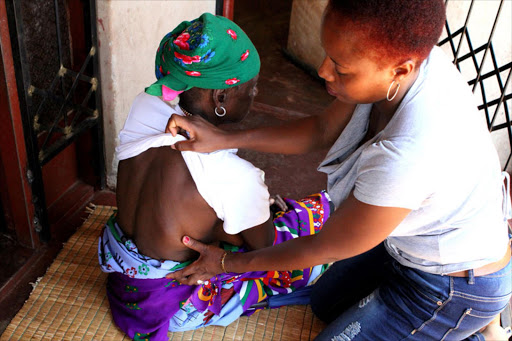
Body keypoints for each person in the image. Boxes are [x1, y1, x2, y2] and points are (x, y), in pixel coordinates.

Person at [165, 1, 512, 340]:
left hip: (453, 285)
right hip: (404, 245)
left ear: (400, 70)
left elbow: (324, 248)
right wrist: (223, 138)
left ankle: (478, 329)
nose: (323, 70)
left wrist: (224, 263)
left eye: (341, 68)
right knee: (324, 303)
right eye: (328, 54)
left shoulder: (409, 155)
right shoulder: (401, 60)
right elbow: (320, 130)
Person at [98, 13, 332, 341]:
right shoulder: (235, 177)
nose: (256, 92)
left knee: (277, 219)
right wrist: (233, 230)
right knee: (309, 251)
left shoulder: (146, 104)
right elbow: (262, 249)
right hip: (181, 302)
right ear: (220, 97)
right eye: (251, 87)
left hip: (128, 284)